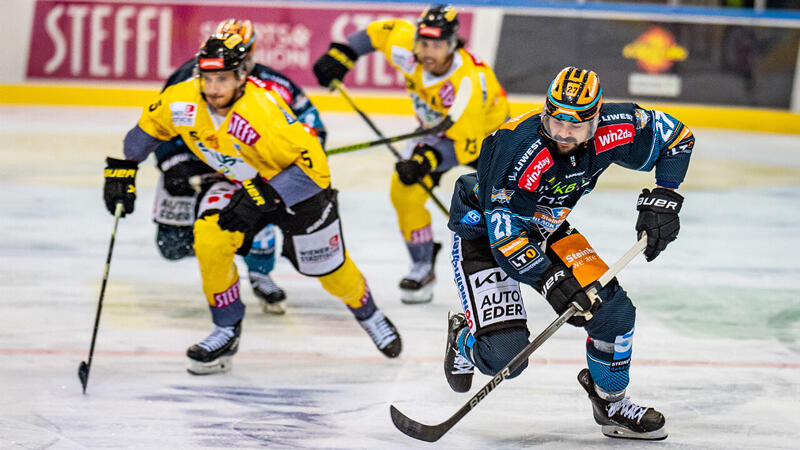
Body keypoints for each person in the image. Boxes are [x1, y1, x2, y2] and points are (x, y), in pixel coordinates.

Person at [103, 31, 402, 375]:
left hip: (298, 192)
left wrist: (265, 195)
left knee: (330, 270)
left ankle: (369, 314)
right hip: (239, 183)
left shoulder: (263, 112)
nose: (214, 89)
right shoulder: (182, 99)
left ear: (242, 76)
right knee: (210, 237)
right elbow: (150, 127)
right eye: (208, 78)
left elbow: (315, 168)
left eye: (224, 79)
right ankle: (226, 328)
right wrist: (123, 168)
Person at [443, 66, 695, 440]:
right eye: (556, 119)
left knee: (613, 313)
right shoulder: (514, 148)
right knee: (507, 358)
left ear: (596, 118)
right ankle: (463, 337)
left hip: (547, 228)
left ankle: (610, 401)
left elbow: (678, 138)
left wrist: (665, 197)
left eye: (575, 125)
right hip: (485, 236)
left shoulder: (618, 126)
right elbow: (506, 237)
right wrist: (553, 281)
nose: (563, 133)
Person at [312, 4, 509, 304]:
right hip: (436, 129)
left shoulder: (465, 86)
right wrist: (342, 55)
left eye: (437, 45)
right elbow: (375, 35)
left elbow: (463, 147)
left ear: (454, 44)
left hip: (488, 137)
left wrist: (424, 160)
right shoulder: (407, 46)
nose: (427, 52)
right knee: (404, 192)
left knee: (499, 199)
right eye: (424, 43)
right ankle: (422, 262)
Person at [153, 19, 327, 315]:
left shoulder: (274, 86)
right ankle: (220, 255)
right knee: (172, 246)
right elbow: (160, 124)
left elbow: (309, 122)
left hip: (248, 171)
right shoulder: (187, 82)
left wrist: (303, 153)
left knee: (258, 205)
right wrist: (174, 163)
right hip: (197, 166)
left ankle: (259, 272)